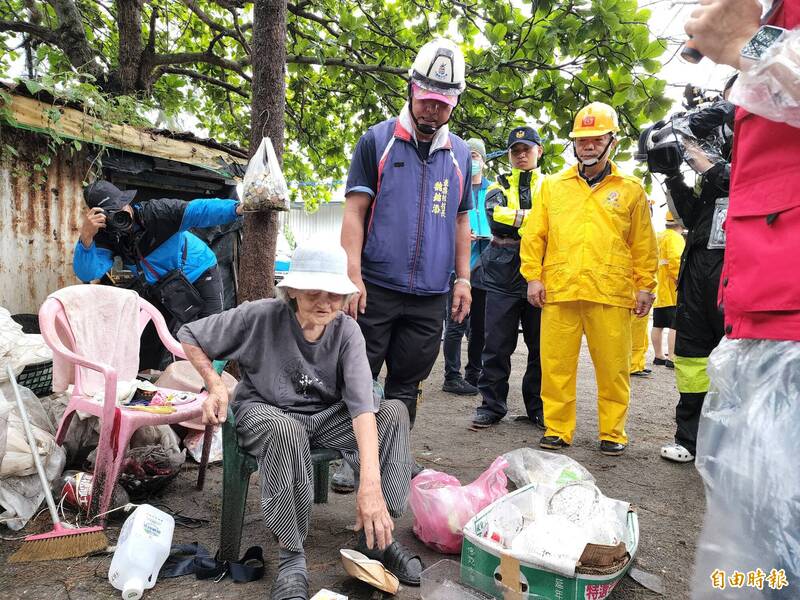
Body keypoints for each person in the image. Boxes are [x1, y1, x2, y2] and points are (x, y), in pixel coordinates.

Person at [178, 244, 421, 600]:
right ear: (291, 290)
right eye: (313, 292)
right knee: (286, 430)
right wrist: (214, 384)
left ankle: (376, 537)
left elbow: (363, 407)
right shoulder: (258, 316)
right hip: (265, 411)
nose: (325, 302)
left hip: (323, 416)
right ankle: (292, 555)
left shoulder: (347, 331)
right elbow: (191, 335)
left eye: (335, 294)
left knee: (394, 413)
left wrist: (369, 485)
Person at [685, 1, 800, 596]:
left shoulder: (767, 30)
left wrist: (749, 45)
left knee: (783, 560)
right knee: (757, 559)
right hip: (758, 322)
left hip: (790, 337)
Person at [341, 37, 472, 427]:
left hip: (430, 294)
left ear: (454, 103)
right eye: (426, 99)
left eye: (442, 103)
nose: (432, 110)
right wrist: (353, 274)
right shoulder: (376, 141)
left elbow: (462, 219)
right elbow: (355, 210)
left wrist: (463, 279)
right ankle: (352, 457)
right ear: (412, 89)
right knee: (358, 375)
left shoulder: (461, 155)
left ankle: (393, 456)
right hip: (375, 287)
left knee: (407, 382)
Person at [520, 102, 657, 456]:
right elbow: (535, 235)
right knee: (556, 366)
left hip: (609, 291)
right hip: (560, 289)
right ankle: (557, 428)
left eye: (596, 139)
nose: (589, 146)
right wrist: (533, 277)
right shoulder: (553, 186)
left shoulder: (630, 189)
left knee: (613, 368)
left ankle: (613, 432)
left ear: (612, 141)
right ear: (574, 145)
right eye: (582, 140)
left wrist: (645, 285)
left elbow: (643, 241)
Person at [659, 99, 732, 464]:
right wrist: (672, 176)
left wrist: (701, 159)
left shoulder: (753, 160)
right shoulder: (711, 177)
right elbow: (691, 215)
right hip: (697, 270)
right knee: (690, 357)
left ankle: (730, 446)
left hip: (735, 273)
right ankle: (689, 439)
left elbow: (739, 181)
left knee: (732, 360)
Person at [74, 179, 241, 332]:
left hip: (200, 269)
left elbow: (198, 210)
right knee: (180, 337)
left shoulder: (156, 213)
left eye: (121, 206)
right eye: (112, 212)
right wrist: (86, 239)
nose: (121, 215)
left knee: (212, 329)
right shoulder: (107, 236)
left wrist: (236, 209)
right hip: (166, 285)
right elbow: (88, 273)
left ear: (128, 202)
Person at [471, 126, 545, 430]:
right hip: (500, 274)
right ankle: (491, 405)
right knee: (496, 344)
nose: (521, 155)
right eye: (515, 151)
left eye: (527, 149)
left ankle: (538, 407)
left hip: (541, 273)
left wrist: (519, 219)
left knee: (541, 346)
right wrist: (538, 221)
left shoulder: (553, 186)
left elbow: (554, 222)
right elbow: (497, 218)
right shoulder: (495, 186)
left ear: (539, 151)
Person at [441, 137, 492, 395]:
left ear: (484, 160)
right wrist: (461, 234)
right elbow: (443, 223)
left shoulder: (493, 190)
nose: (473, 160)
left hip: (487, 268)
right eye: (469, 155)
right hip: (459, 269)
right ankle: (451, 376)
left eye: (477, 156)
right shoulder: (454, 188)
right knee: (456, 322)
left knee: (480, 327)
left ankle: (474, 373)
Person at [651, 213, 685, 369]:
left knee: (658, 324)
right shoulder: (675, 238)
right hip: (672, 289)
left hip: (660, 289)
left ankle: (658, 355)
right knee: (675, 325)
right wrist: (681, 280)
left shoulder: (659, 236)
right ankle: (672, 357)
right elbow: (676, 261)